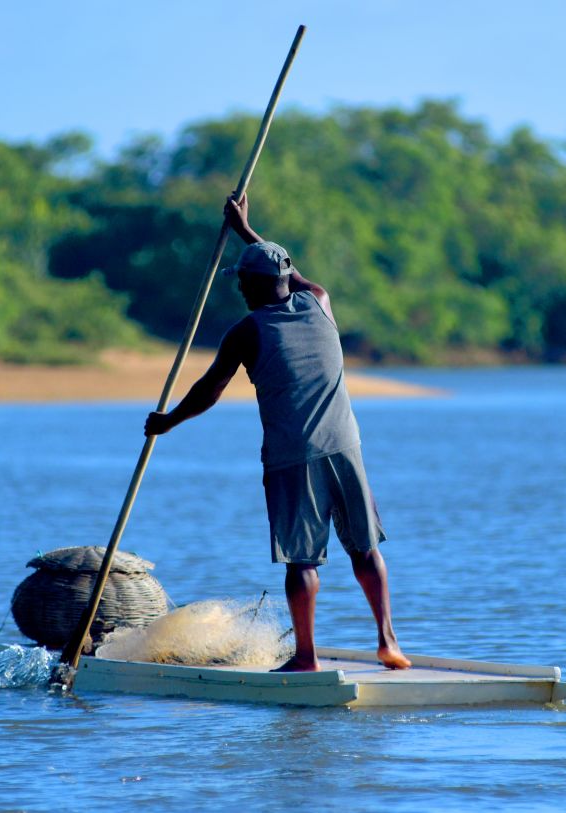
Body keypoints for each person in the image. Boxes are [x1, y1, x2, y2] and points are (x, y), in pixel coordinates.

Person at [144, 193, 411, 673]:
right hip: (345, 445)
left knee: (301, 562)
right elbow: (292, 270)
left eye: (243, 282)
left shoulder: (247, 331)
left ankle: (306, 657)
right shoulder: (319, 302)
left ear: (253, 285)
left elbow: (208, 391)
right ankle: (387, 640)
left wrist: (168, 422)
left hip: (293, 455)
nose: (240, 290)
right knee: (364, 547)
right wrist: (245, 230)